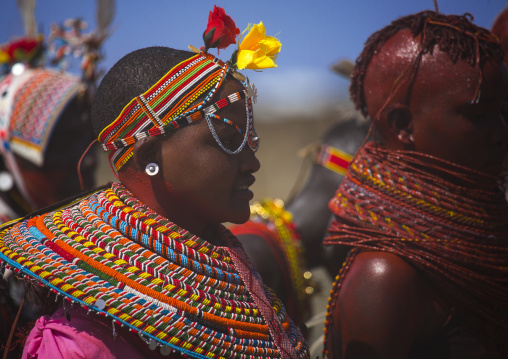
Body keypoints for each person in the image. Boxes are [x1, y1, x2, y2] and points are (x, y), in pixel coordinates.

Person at [0, 6, 309, 359]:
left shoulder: (238, 269)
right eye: (226, 138)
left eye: (250, 140)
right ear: (149, 158)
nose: (252, 162)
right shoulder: (83, 344)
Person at [322, 10, 508, 358]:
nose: (501, 133)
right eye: (477, 115)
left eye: (502, 112)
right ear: (402, 124)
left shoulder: (487, 245)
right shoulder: (387, 277)